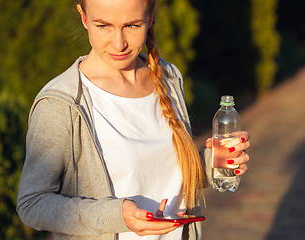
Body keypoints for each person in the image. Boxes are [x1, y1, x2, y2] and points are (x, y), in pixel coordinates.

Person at [16, 0, 250, 239]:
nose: (119, 43)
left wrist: (216, 164)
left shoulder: (168, 77)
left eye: (132, 25)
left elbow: (166, 175)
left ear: (150, 17)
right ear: (84, 17)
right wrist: (117, 215)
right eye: (103, 25)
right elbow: (32, 204)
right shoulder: (61, 104)